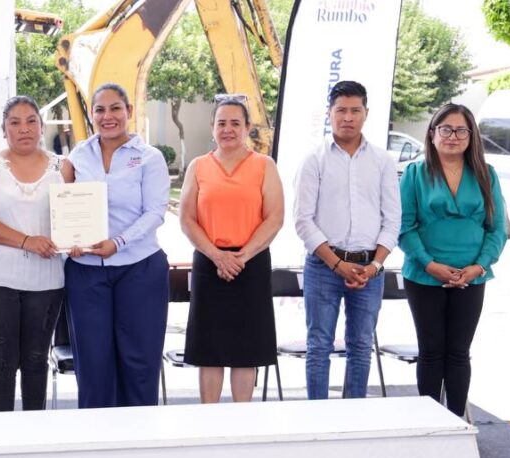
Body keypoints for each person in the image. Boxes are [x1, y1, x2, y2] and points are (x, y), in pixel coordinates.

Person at [62, 83, 170, 408]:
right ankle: (96, 447)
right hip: (86, 274)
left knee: (139, 363)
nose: (107, 116)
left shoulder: (149, 158)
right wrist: (70, 240)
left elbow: (155, 213)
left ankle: (139, 446)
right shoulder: (77, 155)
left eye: (115, 108)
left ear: (129, 112)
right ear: (91, 115)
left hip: (140, 269)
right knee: (93, 364)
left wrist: (118, 242)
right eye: (99, 109)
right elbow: (63, 204)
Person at [293, 80, 400, 400]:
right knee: (319, 346)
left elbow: (393, 219)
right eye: (341, 110)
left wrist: (376, 265)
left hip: (370, 268)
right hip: (324, 267)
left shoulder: (382, 161)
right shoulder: (314, 160)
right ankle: (319, 421)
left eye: (355, 110)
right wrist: (337, 263)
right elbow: (303, 220)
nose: (348, 117)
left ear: (366, 114)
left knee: (361, 347)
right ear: (329, 114)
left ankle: (354, 419)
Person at [399, 103, 507, 418]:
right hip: (424, 275)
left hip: (472, 276)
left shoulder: (487, 175)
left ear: (471, 136)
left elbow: (497, 228)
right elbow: (404, 228)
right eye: (445, 129)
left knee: (459, 353)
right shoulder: (414, 173)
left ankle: (456, 422)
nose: (453, 136)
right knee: (431, 352)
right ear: (432, 135)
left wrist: (478, 267)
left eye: (461, 130)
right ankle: (429, 423)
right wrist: (429, 264)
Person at [0, 96, 70, 411]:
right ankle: (2, 439)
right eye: (15, 122)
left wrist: (78, 239)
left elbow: (74, 219)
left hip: (47, 279)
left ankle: (33, 438)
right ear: (3, 129)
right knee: (2, 362)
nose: (23, 129)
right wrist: (26, 241)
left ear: (41, 127)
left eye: (31, 121)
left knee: (37, 360)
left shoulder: (62, 166)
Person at [179, 98, 283, 403]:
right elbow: (187, 219)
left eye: (235, 123)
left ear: (247, 128)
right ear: (212, 129)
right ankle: (210, 420)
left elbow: (274, 217)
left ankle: (242, 421)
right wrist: (217, 256)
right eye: (221, 123)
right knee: (209, 350)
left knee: (245, 349)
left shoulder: (264, 165)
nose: (228, 129)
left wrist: (242, 256)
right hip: (209, 263)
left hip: (250, 263)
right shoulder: (198, 167)